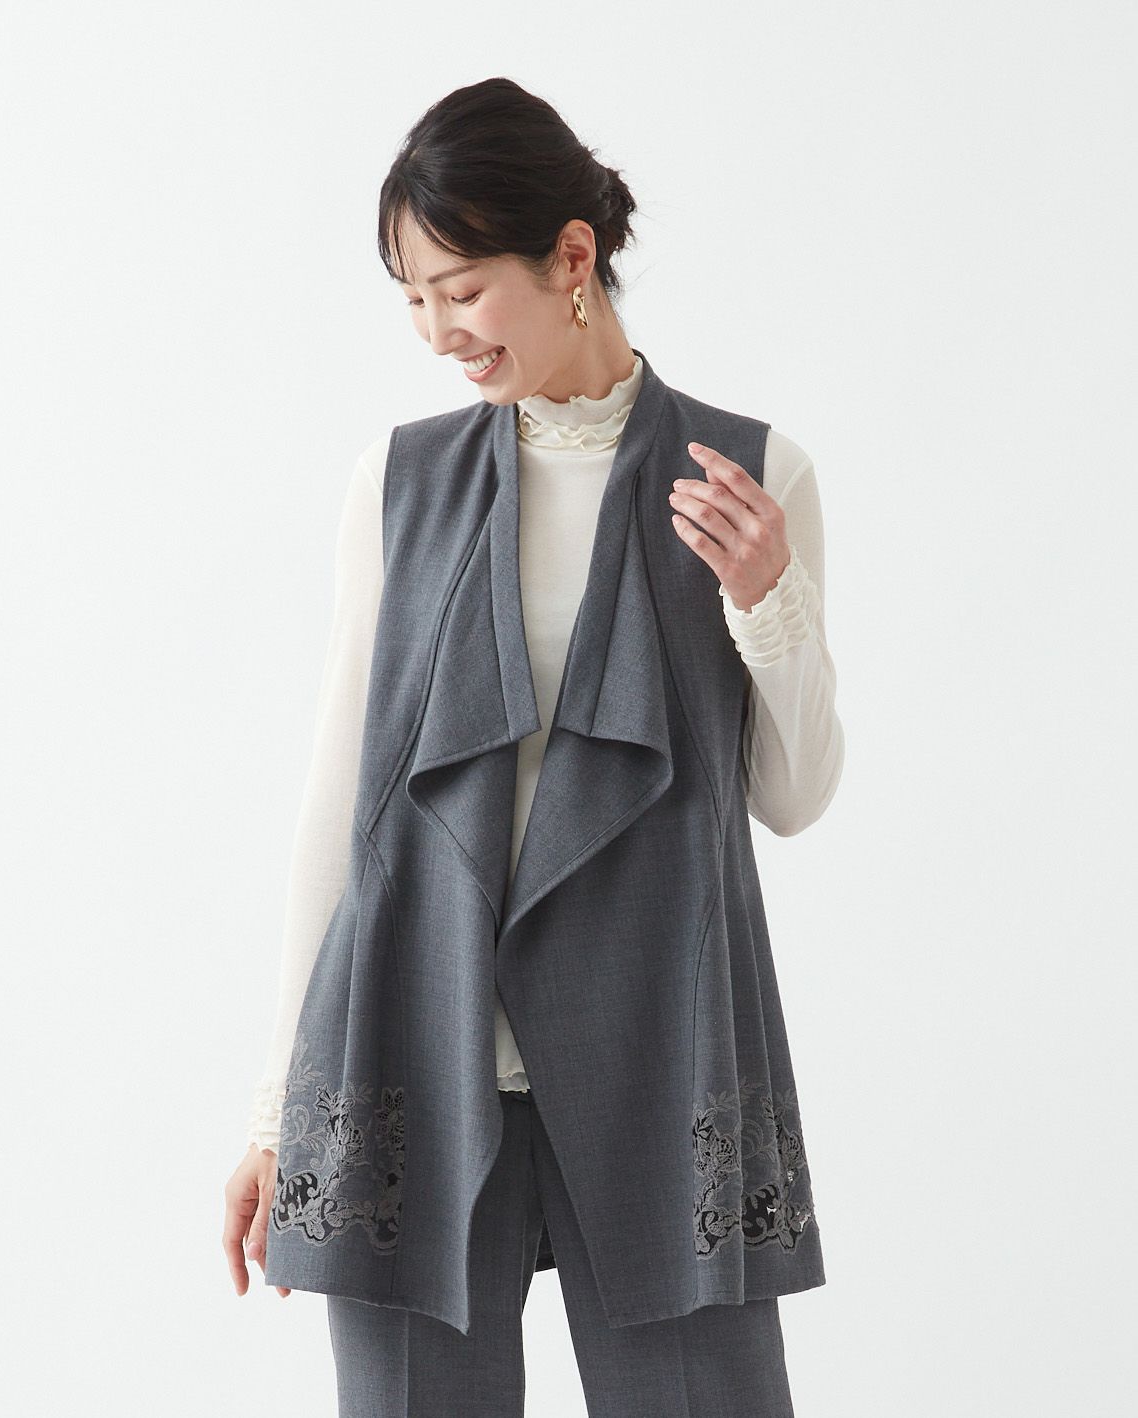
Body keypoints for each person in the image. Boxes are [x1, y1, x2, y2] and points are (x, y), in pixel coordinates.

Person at [223, 76, 843, 1417]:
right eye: (413, 299)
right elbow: (338, 803)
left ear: (571, 257)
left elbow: (791, 798)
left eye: (461, 289)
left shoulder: (748, 475)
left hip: (661, 1047)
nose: (438, 331)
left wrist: (767, 605)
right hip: (415, 1043)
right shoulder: (399, 482)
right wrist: (280, 1109)